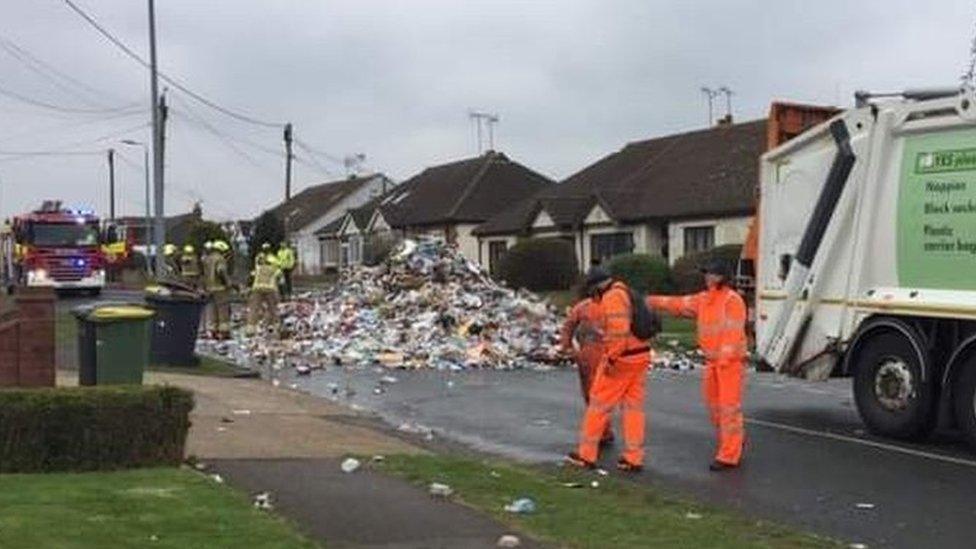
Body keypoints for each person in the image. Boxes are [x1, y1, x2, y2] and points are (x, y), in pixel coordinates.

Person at [647, 259, 748, 472]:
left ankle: (729, 455)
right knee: (715, 409)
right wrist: (650, 301)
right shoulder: (704, 299)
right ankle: (733, 442)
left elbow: (733, 332)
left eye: (711, 273)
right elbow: (677, 304)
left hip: (728, 364)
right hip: (713, 363)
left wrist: (725, 358)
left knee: (728, 409)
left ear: (722, 277)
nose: (707, 276)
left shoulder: (733, 300)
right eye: (707, 273)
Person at [566, 266, 652, 472]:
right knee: (633, 409)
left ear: (596, 287)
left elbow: (618, 333)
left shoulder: (612, 298)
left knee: (598, 405)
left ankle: (586, 455)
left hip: (621, 359)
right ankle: (633, 457)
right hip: (640, 355)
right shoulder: (628, 293)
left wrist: (611, 359)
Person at [560, 288, 614, 445]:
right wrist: (566, 346)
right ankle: (603, 429)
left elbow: (568, 326)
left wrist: (566, 346)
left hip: (596, 354)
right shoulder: (592, 307)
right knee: (598, 395)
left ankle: (600, 431)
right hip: (597, 354)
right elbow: (568, 326)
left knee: (595, 395)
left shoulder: (584, 307)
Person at [247, 251, 282, 337]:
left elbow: (251, 277)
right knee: (272, 308)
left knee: (254, 308)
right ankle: (274, 326)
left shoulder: (258, 268)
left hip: (257, 289)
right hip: (270, 289)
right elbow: (281, 281)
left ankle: (250, 329)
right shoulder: (276, 269)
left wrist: (248, 288)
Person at [202, 240, 232, 339]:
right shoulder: (220, 259)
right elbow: (220, 270)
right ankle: (223, 332)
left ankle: (212, 330)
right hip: (220, 288)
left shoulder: (207, 259)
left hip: (209, 288)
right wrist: (227, 283)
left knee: (212, 310)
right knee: (223, 310)